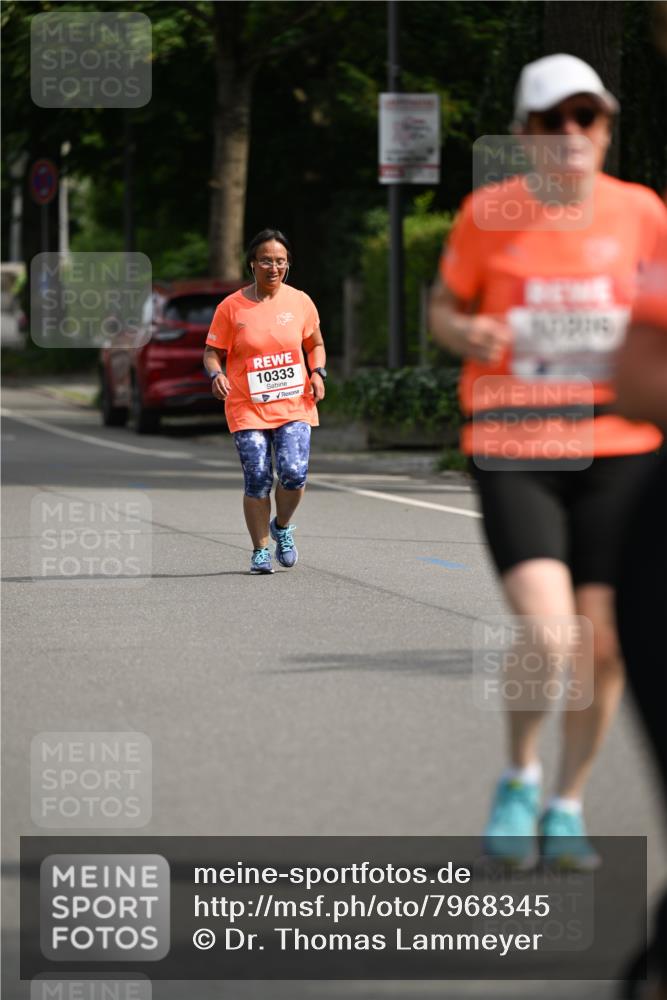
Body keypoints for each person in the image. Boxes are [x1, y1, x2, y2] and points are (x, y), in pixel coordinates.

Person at [429, 54, 667, 868]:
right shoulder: (484, 214)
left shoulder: (641, 213)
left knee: (603, 646)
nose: (571, 134)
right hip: (514, 443)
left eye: (587, 117)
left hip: (620, 449)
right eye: (553, 120)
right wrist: (468, 335)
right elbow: (442, 308)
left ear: (604, 126)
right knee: (550, 630)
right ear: (525, 134)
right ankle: (520, 775)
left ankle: (566, 802)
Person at [203, 228, 327, 574]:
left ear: (288, 266)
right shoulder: (232, 307)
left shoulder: (300, 301)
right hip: (247, 405)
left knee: (293, 473)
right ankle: (260, 550)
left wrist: (318, 373)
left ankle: (282, 527)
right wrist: (217, 375)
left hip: (294, 403)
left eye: (280, 262)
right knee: (258, 476)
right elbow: (212, 353)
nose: (274, 267)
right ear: (252, 264)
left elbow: (315, 344)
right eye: (266, 261)